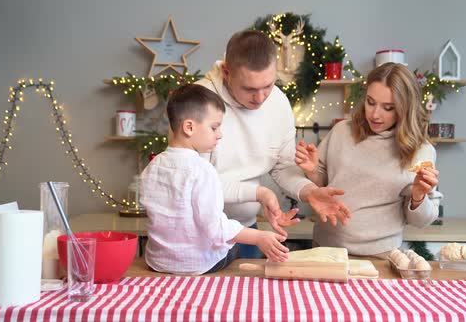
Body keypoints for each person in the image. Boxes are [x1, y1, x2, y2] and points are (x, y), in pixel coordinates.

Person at [195, 30, 351, 258]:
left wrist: (308, 191)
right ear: (227, 72)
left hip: (248, 231)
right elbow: (197, 184)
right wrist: (259, 193)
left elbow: (283, 167)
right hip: (201, 236)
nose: (260, 98)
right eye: (249, 89)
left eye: (268, 85)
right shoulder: (198, 102)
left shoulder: (277, 101)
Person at [295, 62, 442, 258]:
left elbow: (422, 221)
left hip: (381, 256)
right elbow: (323, 187)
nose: (375, 114)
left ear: (405, 109)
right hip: (327, 250)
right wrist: (312, 170)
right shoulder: (342, 131)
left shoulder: (421, 151)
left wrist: (418, 197)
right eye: (370, 102)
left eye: (388, 107)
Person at [139, 84, 289, 275]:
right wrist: (259, 237)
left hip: (158, 261)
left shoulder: (152, 166)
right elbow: (215, 229)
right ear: (189, 127)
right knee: (233, 247)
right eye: (214, 127)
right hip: (197, 265)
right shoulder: (202, 170)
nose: (220, 135)